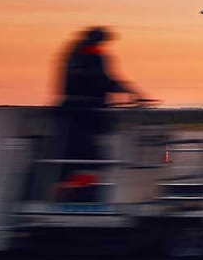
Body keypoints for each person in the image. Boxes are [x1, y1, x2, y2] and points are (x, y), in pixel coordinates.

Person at [56, 27, 143, 164]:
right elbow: (102, 81)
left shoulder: (74, 54)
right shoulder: (91, 55)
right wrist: (132, 92)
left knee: (74, 154)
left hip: (72, 109)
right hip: (87, 111)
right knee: (89, 154)